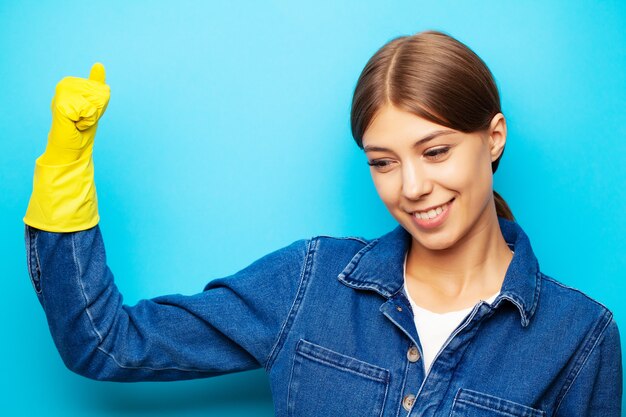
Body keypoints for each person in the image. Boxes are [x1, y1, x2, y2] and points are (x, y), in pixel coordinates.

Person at [23, 30, 622, 416]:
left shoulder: (580, 338)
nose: (411, 187)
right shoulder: (310, 282)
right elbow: (109, 346)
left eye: (434, 151)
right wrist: (66, 172)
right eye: (383, 162)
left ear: (492, 139)